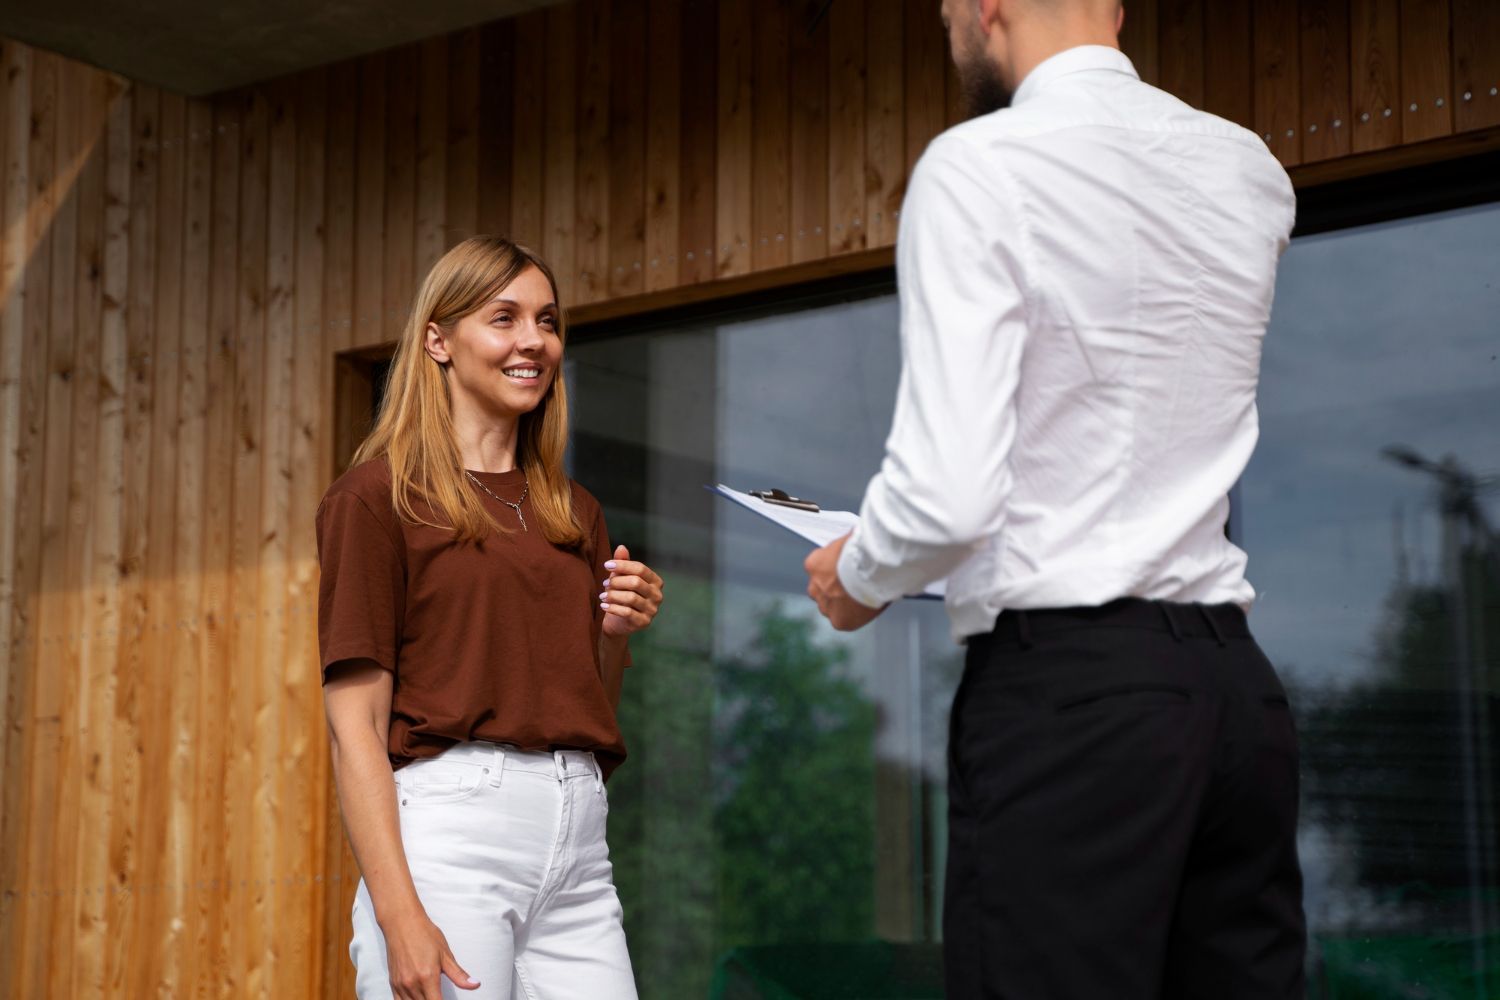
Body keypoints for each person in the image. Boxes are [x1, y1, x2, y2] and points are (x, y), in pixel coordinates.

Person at [803, 0, 1305, 996]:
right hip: (1236, 699)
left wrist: (857, 574)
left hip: (1073, 701)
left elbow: (946, 497)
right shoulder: (1248, 169)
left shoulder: (978, 165)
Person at [317, 236, 663, 1000]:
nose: (532, 341)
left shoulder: (575, 513)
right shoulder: (377, 499)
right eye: (503, 318)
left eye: (547, 320)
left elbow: (590, 709)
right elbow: (356, 727)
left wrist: (614, 636)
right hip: (452, 834)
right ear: (438, 339)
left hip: (578, 839)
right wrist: (398, 910)